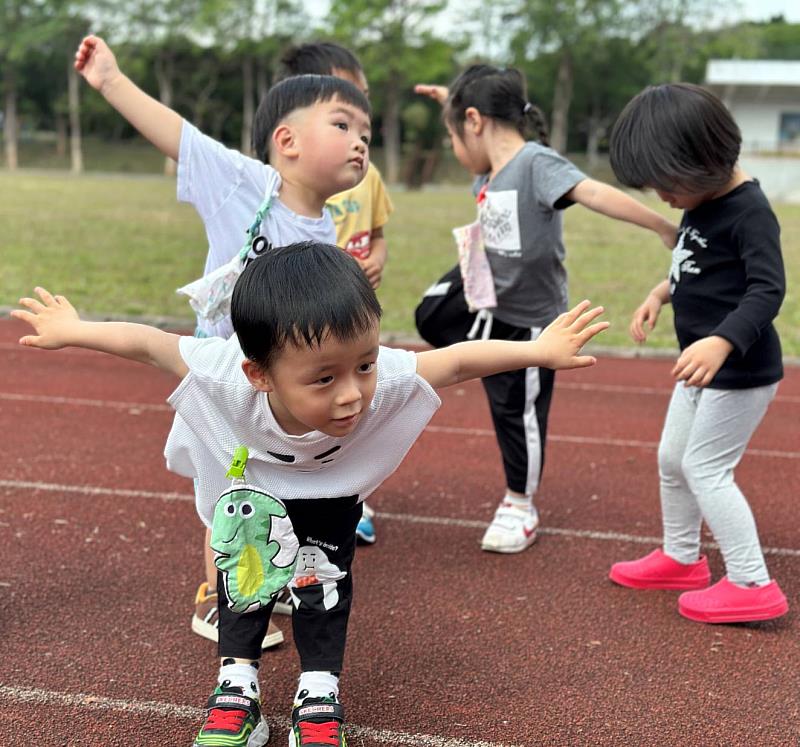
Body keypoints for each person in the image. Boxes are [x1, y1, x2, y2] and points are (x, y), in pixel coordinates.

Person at [13, 241, 608, 747]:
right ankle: (237, 688)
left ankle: (318, 694)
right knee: (243, 579)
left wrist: (537, 351)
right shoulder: (225, 370)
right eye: (324, 378)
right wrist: (75, 331)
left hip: (329, 488)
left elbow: (451, 363)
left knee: (321, 583)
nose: (352, 394)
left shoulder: (382, 376)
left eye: (365, 365)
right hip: (251, 487)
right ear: (260, 374)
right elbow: (149, 344)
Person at [74, 35, 372, 650]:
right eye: (343, 124)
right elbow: (180, 137)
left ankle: (263, 578)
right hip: (226, 380)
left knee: (274, 484)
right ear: (286, 142)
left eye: (367, 130)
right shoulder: (244, 185)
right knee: (229, 490)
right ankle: (216, 594)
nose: (361, 140)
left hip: (278, 390)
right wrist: (110, 80)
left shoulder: (328, 228)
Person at [414, 65, 677, 554]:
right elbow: (472, 116)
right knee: (428, 314)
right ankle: (476, 358)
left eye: (452, 133)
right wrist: (448, 97)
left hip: (532, 322)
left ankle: (520, 503)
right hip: (489, 296)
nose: (453, 146)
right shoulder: (487, 170)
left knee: (517, 415)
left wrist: (662, 226)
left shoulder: (534, 163)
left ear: (474, 121)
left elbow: (594, 192)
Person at [606, 83, 789, 624]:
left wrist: (722, 340)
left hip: (741, 370)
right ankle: (682, 558)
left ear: (703, 161)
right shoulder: (700, 200)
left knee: (706, 468)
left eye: (667, 185)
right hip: (701, 368)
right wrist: (659, 294)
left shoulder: (748, 210)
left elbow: (767, 290)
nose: (663, 198)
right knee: (671, 460)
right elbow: (696, 264)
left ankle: (753, 582)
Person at [275, 40, 395, 545]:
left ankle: (346, 497)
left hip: (347, 315)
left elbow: (381, 235)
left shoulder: (365, 177)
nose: (358, 135)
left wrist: (375, 262)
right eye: (344, 116)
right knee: (299, 407)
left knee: (348, 404)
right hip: (299, 322)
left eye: (363, 114)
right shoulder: (277, 186)